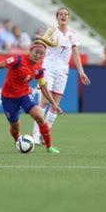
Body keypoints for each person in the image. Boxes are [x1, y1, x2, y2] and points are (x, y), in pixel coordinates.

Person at [0, 39, 63, 154]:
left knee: (39, 116)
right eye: (36, 52)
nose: (38, 55)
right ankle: (18, 140)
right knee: (15, 127)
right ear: (30, 51)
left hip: (24, 95)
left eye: (41, 54)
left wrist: (54, 104)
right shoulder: (17, 60)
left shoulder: (38, 69)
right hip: (8, 98)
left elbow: (43, 87)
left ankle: (49, 147)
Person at [32, 8, 91, 145]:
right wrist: (49, 41)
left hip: (63, 71)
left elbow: (75, 54)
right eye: (61, 14)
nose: (63, 16)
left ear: (68, 18)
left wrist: (81, 72)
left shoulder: (73, 35)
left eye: (66, 14)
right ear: (57, 18)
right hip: (48, 68)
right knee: (45, 101)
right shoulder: (52, 31)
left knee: (55, 104)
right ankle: (35, 134)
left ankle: (44, 133)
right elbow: (43, 42)